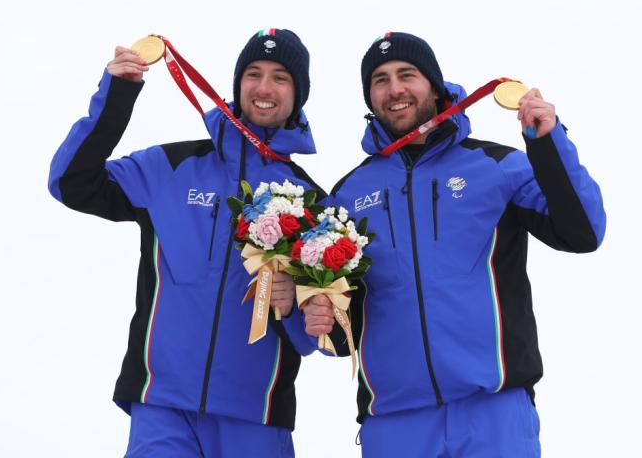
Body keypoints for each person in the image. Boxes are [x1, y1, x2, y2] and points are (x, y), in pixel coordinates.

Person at [302, 32, 606, 457]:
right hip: (394, 423)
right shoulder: (348, 195)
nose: (395, 89)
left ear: (434, 84)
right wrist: (322, 316)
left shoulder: (497, 166)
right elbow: (342, 330)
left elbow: (583, 233)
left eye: (407, 74)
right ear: (370, 98)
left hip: (493, 414)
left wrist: (549, 143)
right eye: (380, 80)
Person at [48, 29, 323, 457]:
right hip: (162, 410)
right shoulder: (171, 168)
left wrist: (294, 301)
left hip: (256, 417)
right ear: (237, 84)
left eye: (280, 77)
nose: (264, 88)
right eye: (253, 73)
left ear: (298, 93)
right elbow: (72, 183)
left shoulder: (314, 203)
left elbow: (323, 337)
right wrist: (118, 94)